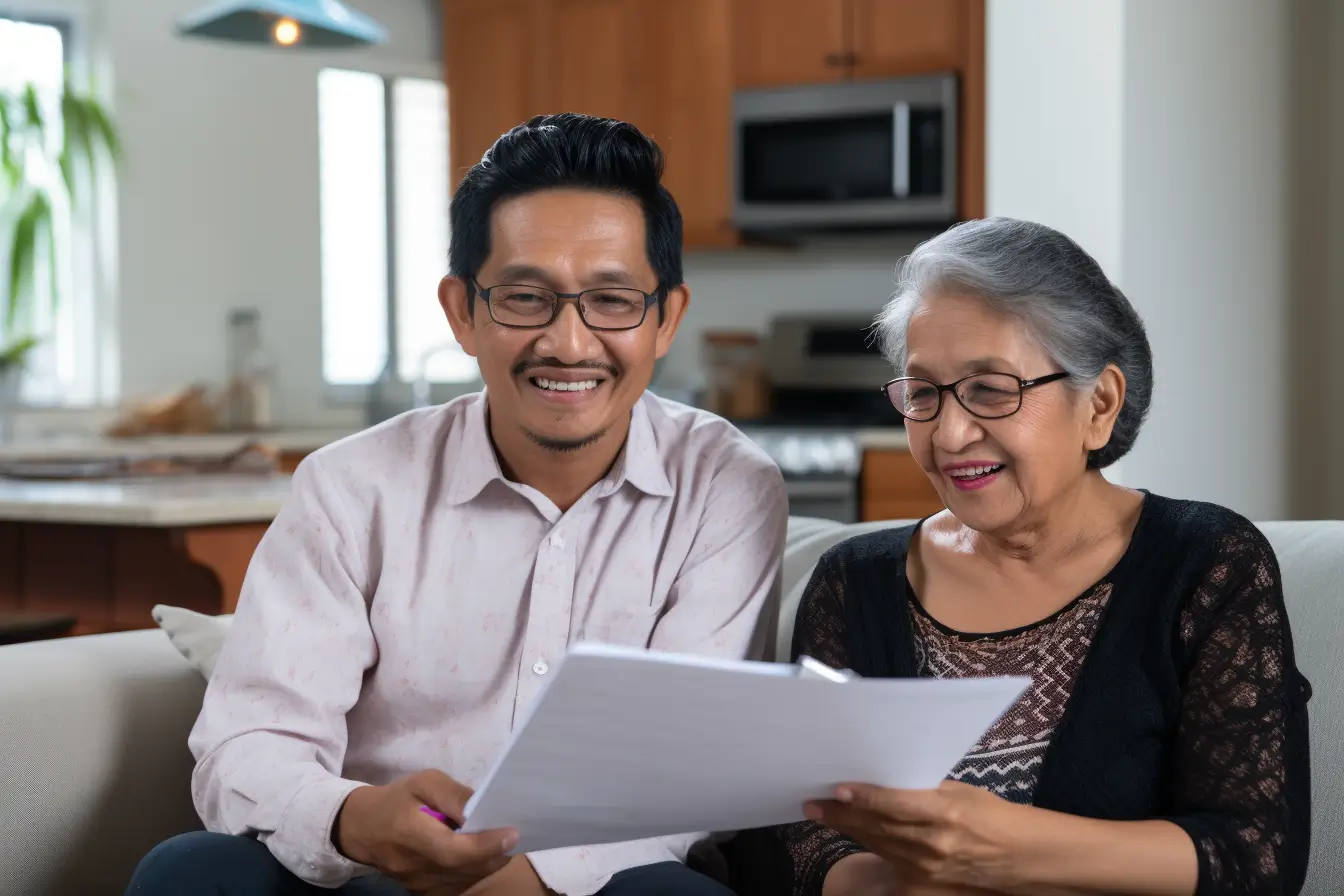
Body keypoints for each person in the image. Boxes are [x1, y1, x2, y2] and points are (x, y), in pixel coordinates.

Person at [125, 113, 788, 896]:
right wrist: (354, 820)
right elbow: (251, 741)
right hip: (365, 870)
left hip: (602, 877)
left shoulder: (727, 487)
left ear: (666, 318)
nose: (569, 345)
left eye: (612, 301)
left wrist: (513, 880)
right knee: (188, 873)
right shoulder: (350, 486)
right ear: (462, 311)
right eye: (524, 297)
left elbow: (686, 768)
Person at [727, 217, 1312, 896]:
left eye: (991, 388)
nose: (950, 433)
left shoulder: (1207, 564)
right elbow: (799, 848)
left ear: (1099, 403)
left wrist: (1003, 848)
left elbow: (1255, 857)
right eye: (923, 393)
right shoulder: (854, 582)